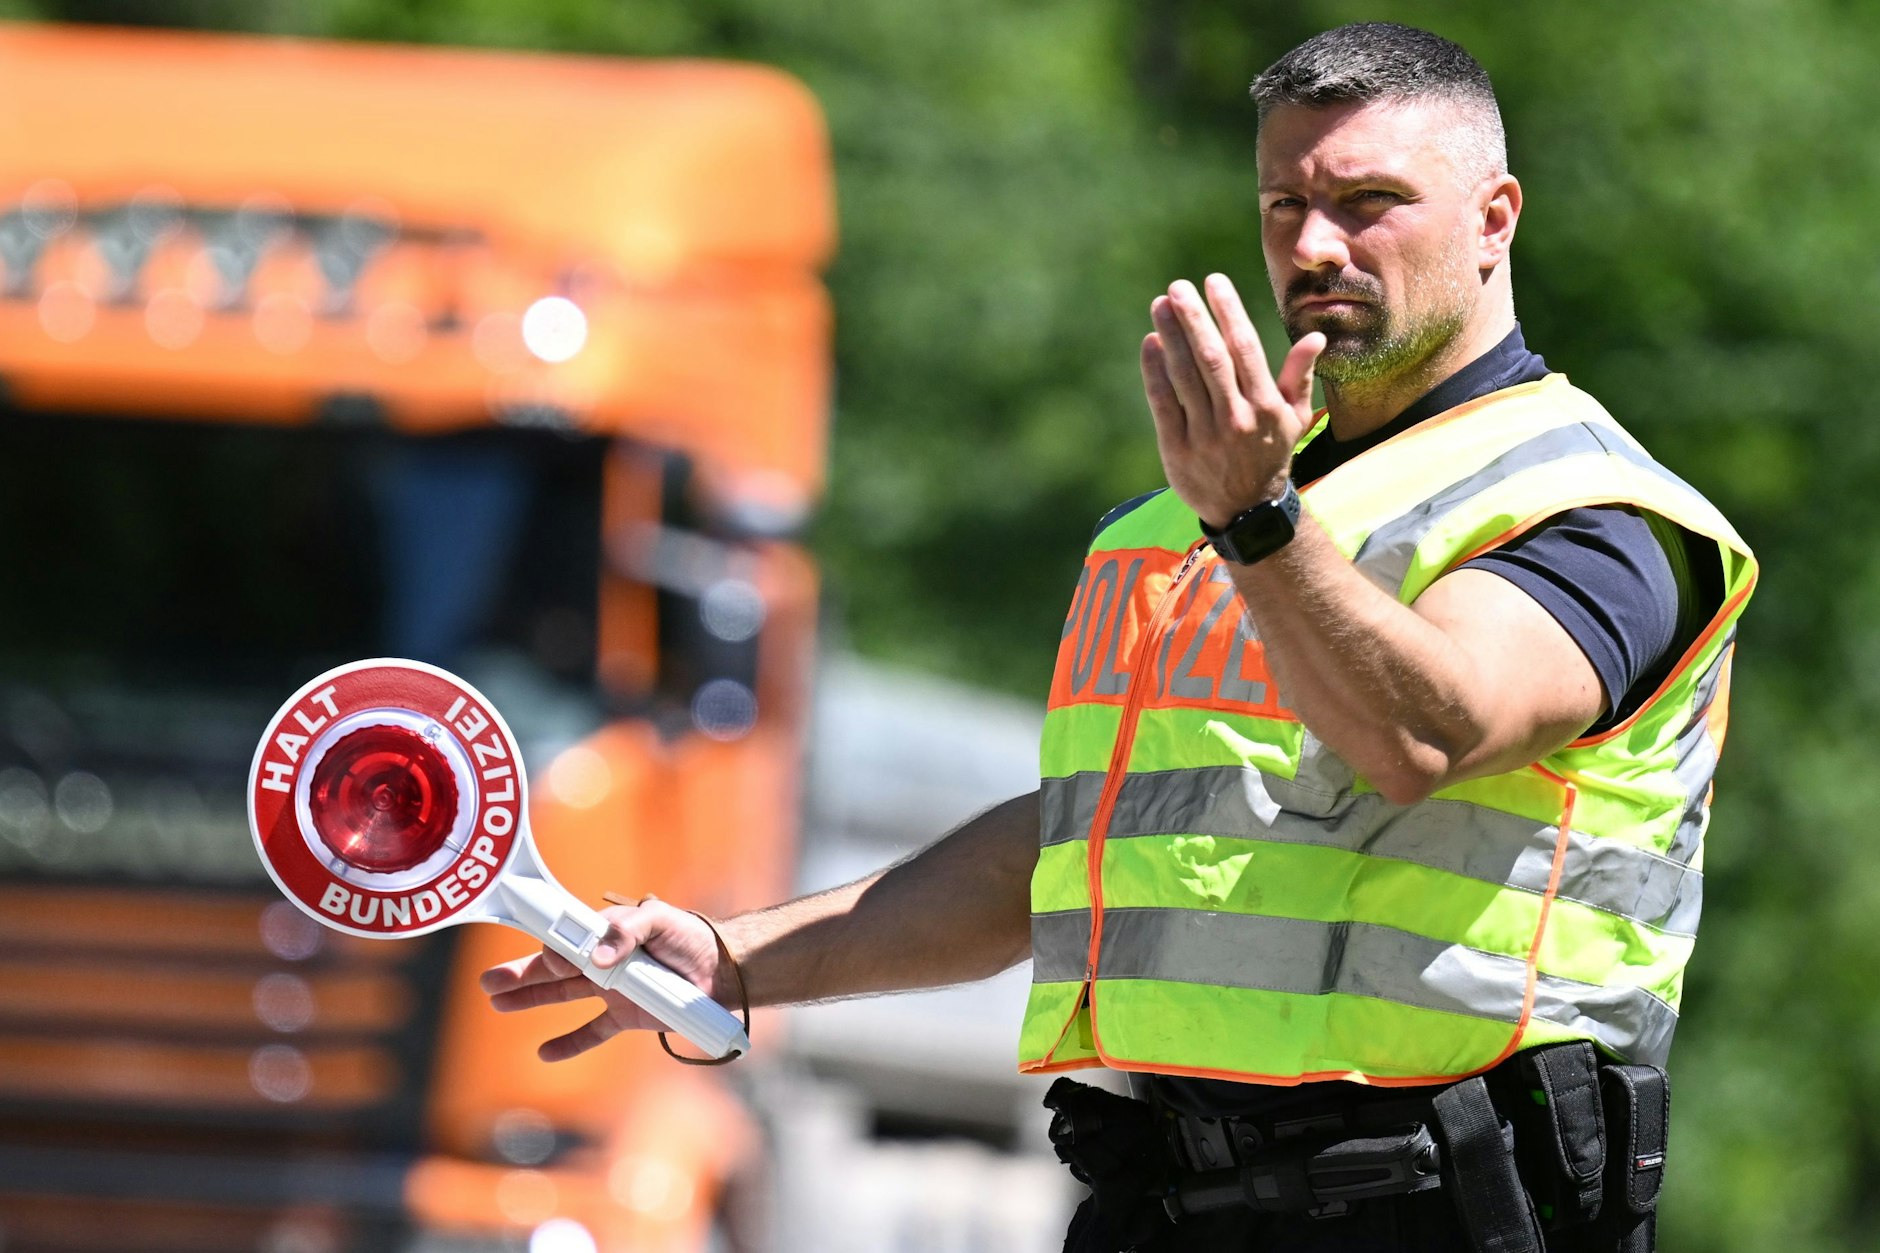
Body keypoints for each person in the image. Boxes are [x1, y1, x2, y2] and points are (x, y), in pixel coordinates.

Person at [482, 22, 1756, 1253]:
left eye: (1367, 202)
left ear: (1493, 218)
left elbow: (1425, 730)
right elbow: (1075, 846)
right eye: (1280, 206)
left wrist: (1258, 521)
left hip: (1443, 1204)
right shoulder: (1180, 523)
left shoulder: (1593, 513)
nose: (1314, 244)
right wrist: (733, 957)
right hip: (1160, 1200)